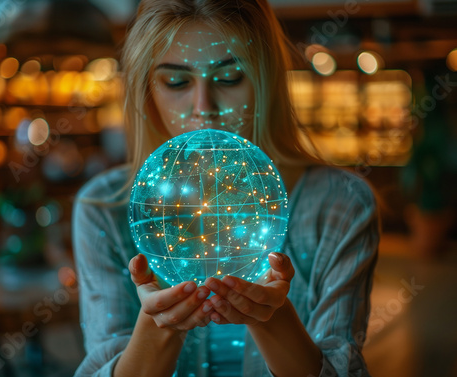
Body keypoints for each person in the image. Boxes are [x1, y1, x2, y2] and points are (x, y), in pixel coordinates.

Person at [72, 1, 380, 376]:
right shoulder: (103, 208)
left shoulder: (341, 204)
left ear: (266, 80)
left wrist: (273, 319)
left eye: (230, 77)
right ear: (146, 91)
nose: (204, 109)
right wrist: (159, 329)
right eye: (176, 82)